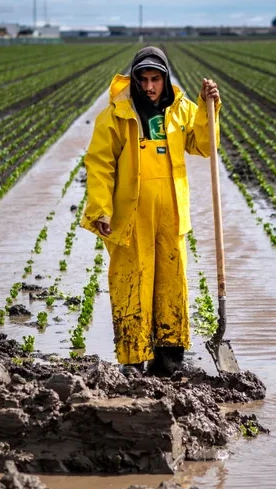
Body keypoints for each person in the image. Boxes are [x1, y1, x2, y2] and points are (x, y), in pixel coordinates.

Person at [81, 46, 221, 377]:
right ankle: (132, 360)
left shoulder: (181, 110)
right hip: (129, 217)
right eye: (142, 80)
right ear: (134, 80)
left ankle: (169, 360)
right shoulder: (116, 115)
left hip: (171, 214)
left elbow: (203, 145)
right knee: (131, 283)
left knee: (172, 283)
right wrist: (100, 209)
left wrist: (208, 106)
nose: (149, 87)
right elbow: (100, 165)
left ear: (165, 79)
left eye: (155, 79)